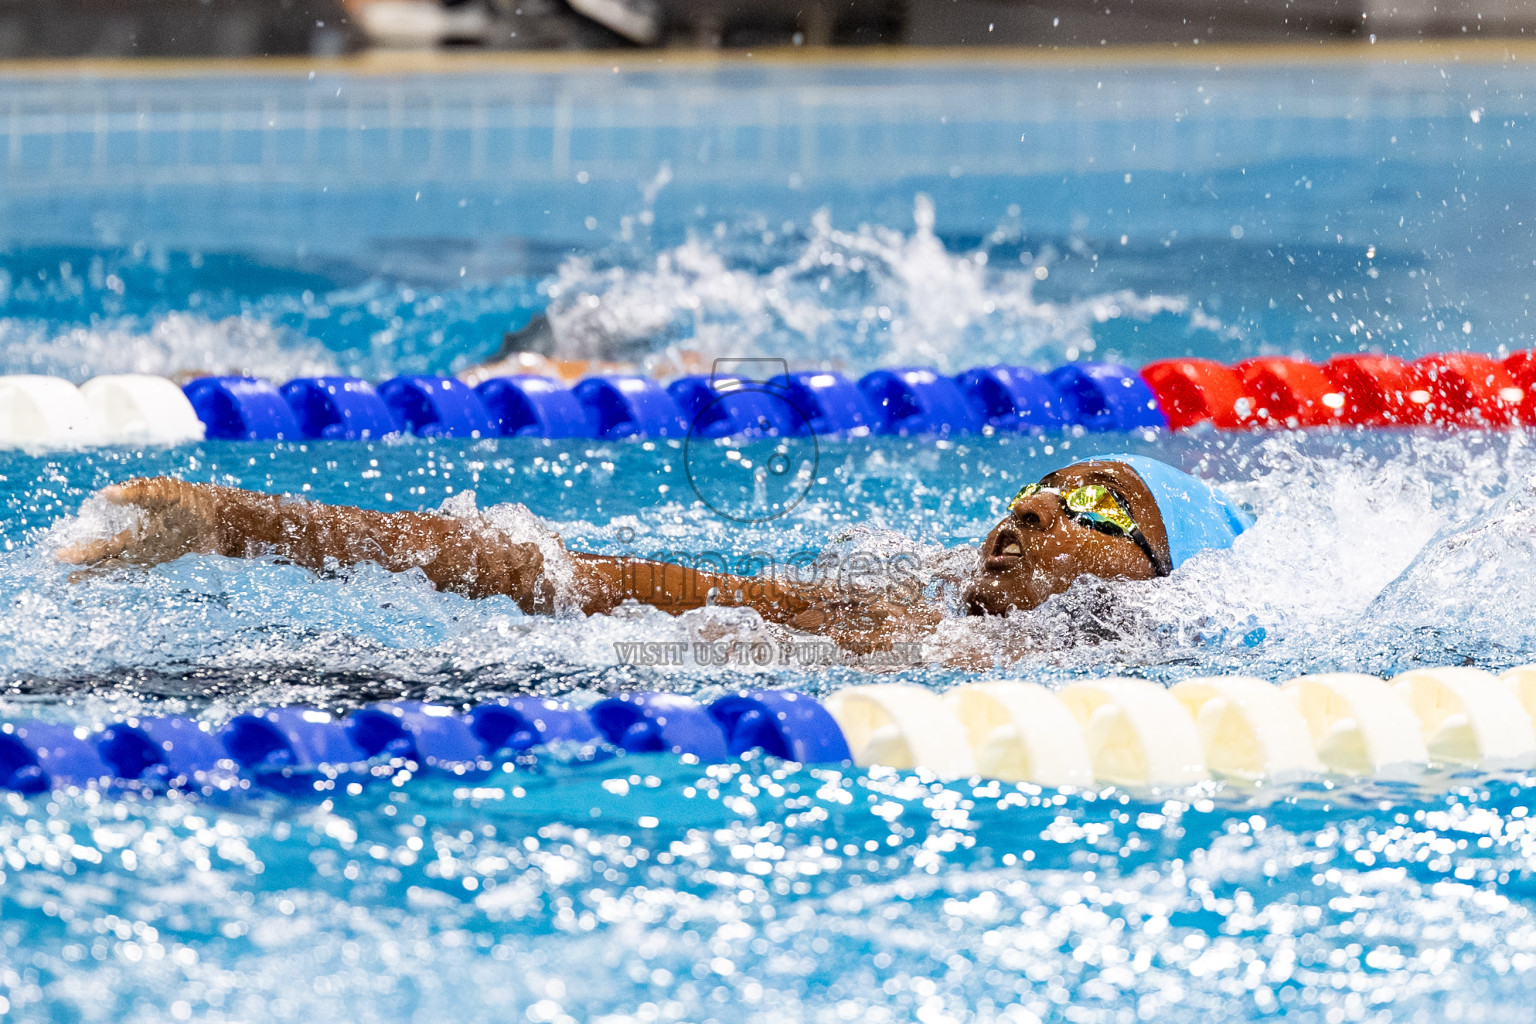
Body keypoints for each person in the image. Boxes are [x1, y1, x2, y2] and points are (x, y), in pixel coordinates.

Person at [56, 454, 1250, 653]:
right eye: (1041, 484)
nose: (1035, 509)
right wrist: (236, 520)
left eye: (1096, 500)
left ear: (1153, 566)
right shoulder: (890, 616)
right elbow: (569, 581)